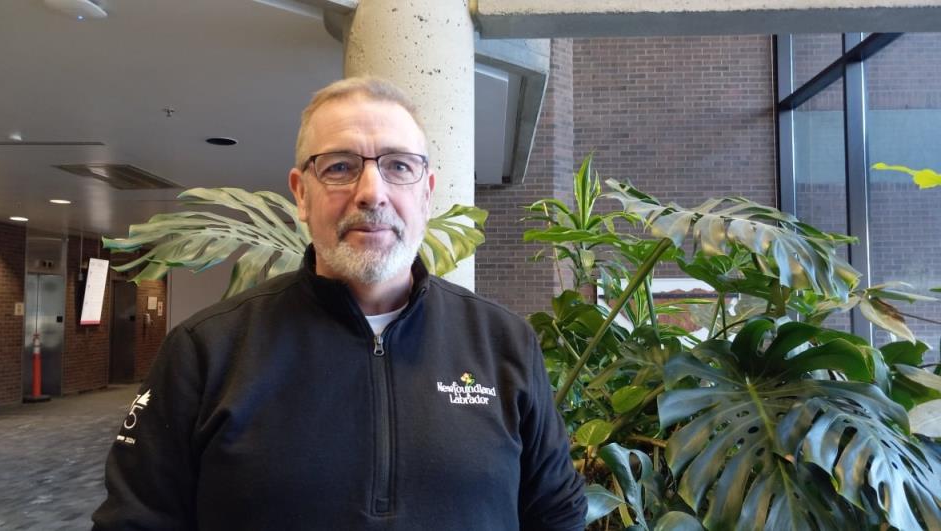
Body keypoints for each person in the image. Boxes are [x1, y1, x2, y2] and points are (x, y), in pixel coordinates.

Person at [92, 76, 586, 530]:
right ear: (301, 194)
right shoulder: (206, 352)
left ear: (427, 194)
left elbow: (556, 515)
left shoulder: (504, 343)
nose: (372, 193)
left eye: (398, 166)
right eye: (340, 167)